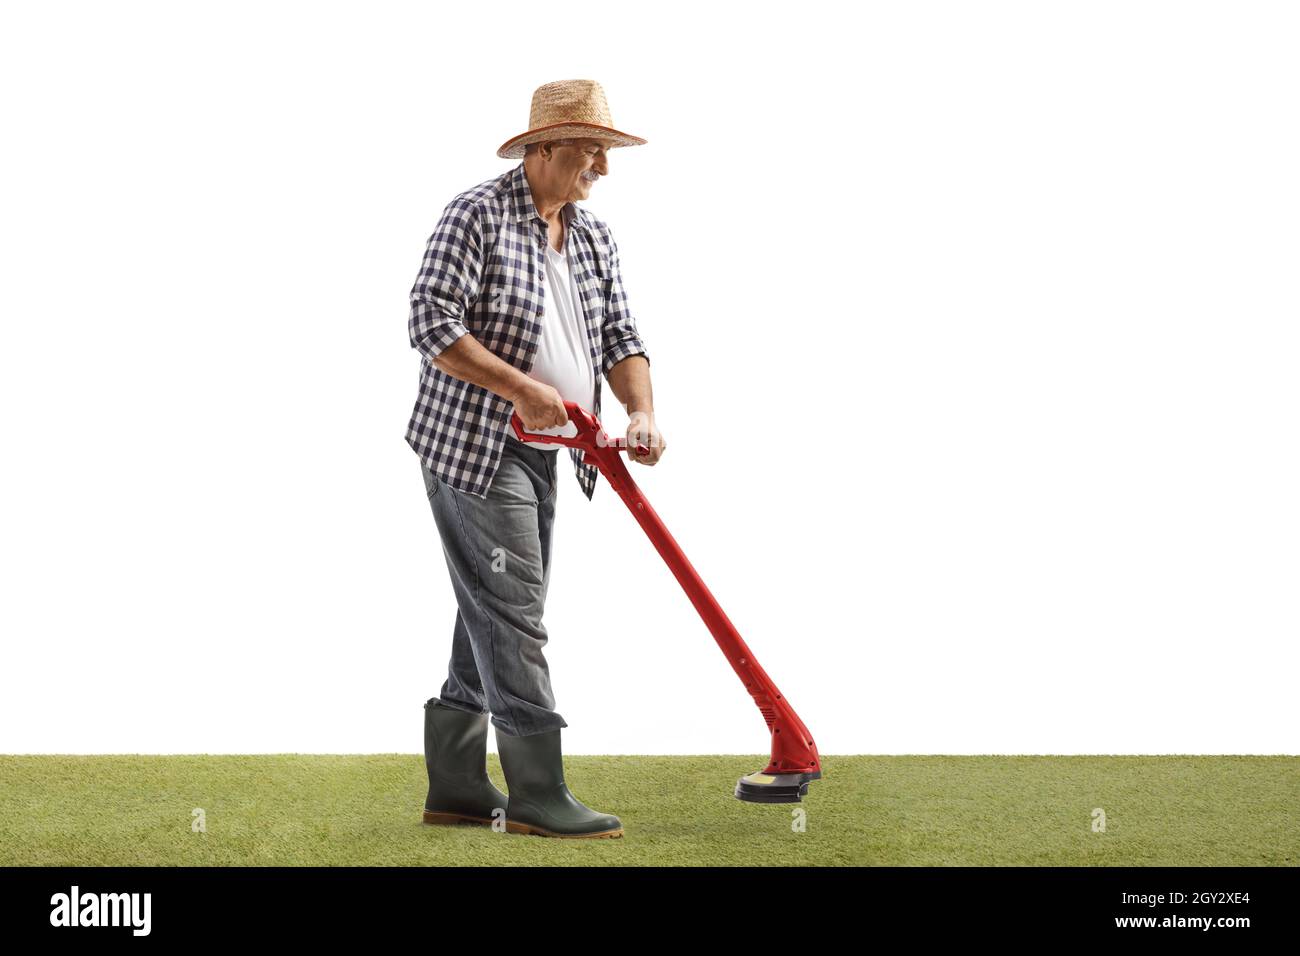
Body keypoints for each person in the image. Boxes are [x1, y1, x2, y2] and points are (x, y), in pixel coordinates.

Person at [405, 80, 665, 839]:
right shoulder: (475, 215)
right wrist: (520, 388)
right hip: (476, 445)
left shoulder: (591, 236)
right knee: (514, 606)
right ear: (544, 148)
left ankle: (454, 787)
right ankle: (538, 792)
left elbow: (620, 336)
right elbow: (429, 320)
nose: (603, 169)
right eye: (591, 151)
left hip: (554, 452)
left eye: (607, 153)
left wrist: (641, 411)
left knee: (494, 601)